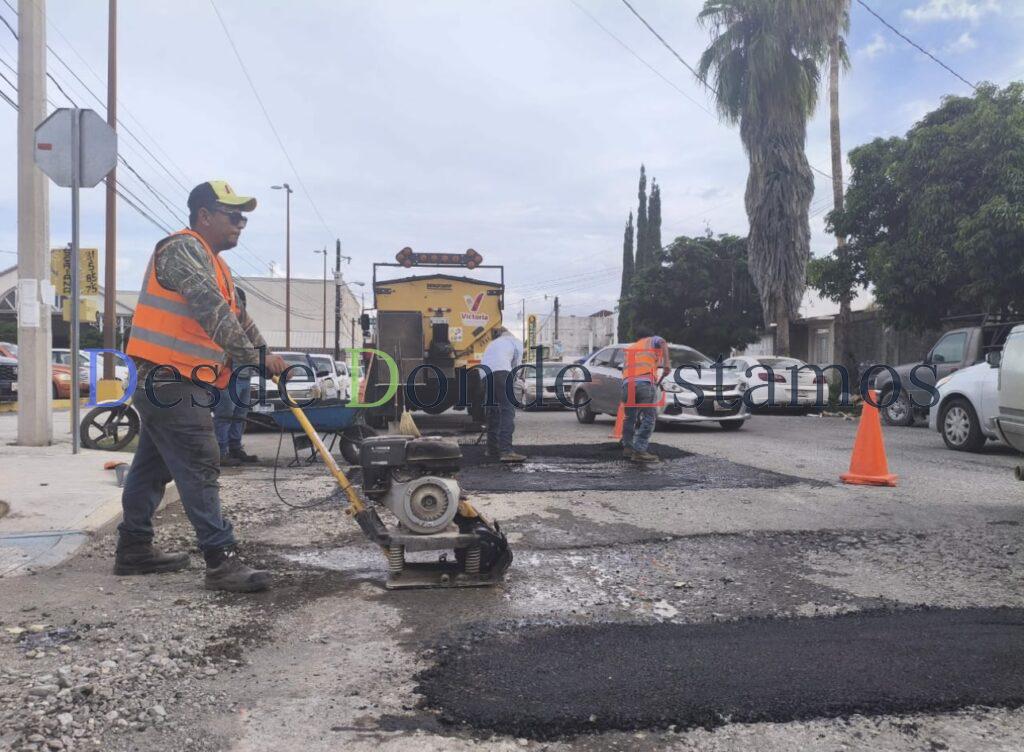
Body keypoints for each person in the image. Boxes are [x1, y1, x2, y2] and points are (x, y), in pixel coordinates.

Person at [116, 180, 286, 592]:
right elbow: (213, 314)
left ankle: (134, 547)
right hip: (167, 377)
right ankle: (220, 560)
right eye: (233, 215)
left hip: (177, 378)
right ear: (204, 216)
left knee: (150, 466)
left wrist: (270, 359)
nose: (240, 224)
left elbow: (240, 319)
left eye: (243, 217)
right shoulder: (182, 249)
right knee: (200, 459)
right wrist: (256, 359)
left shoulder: (218, 266)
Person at [213, 287, 258, 467]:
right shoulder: (222, 324)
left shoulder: (246, 325)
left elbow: (255, 345)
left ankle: (235, 447)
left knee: (240, 414)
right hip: (227, 376)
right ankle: (221, 451)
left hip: (245, 375)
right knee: (225, 415)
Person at [621, 330, 671, 463]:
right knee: (649, 416)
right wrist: (667, 365)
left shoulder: (631, 348)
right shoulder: (652, 340)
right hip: (643, 383)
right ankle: (639, 450)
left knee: (629, 418)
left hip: (627, 385)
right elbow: (663, 342)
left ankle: (627, 448)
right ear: (648, 336)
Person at [480, 326, 525, 463]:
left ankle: (491, 449)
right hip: (502, 373)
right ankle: (506, 451)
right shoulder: (515, 341)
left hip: (484, 374)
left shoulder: (493, 344)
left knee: (493, 410)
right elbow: (516, 364)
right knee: (507, 410)